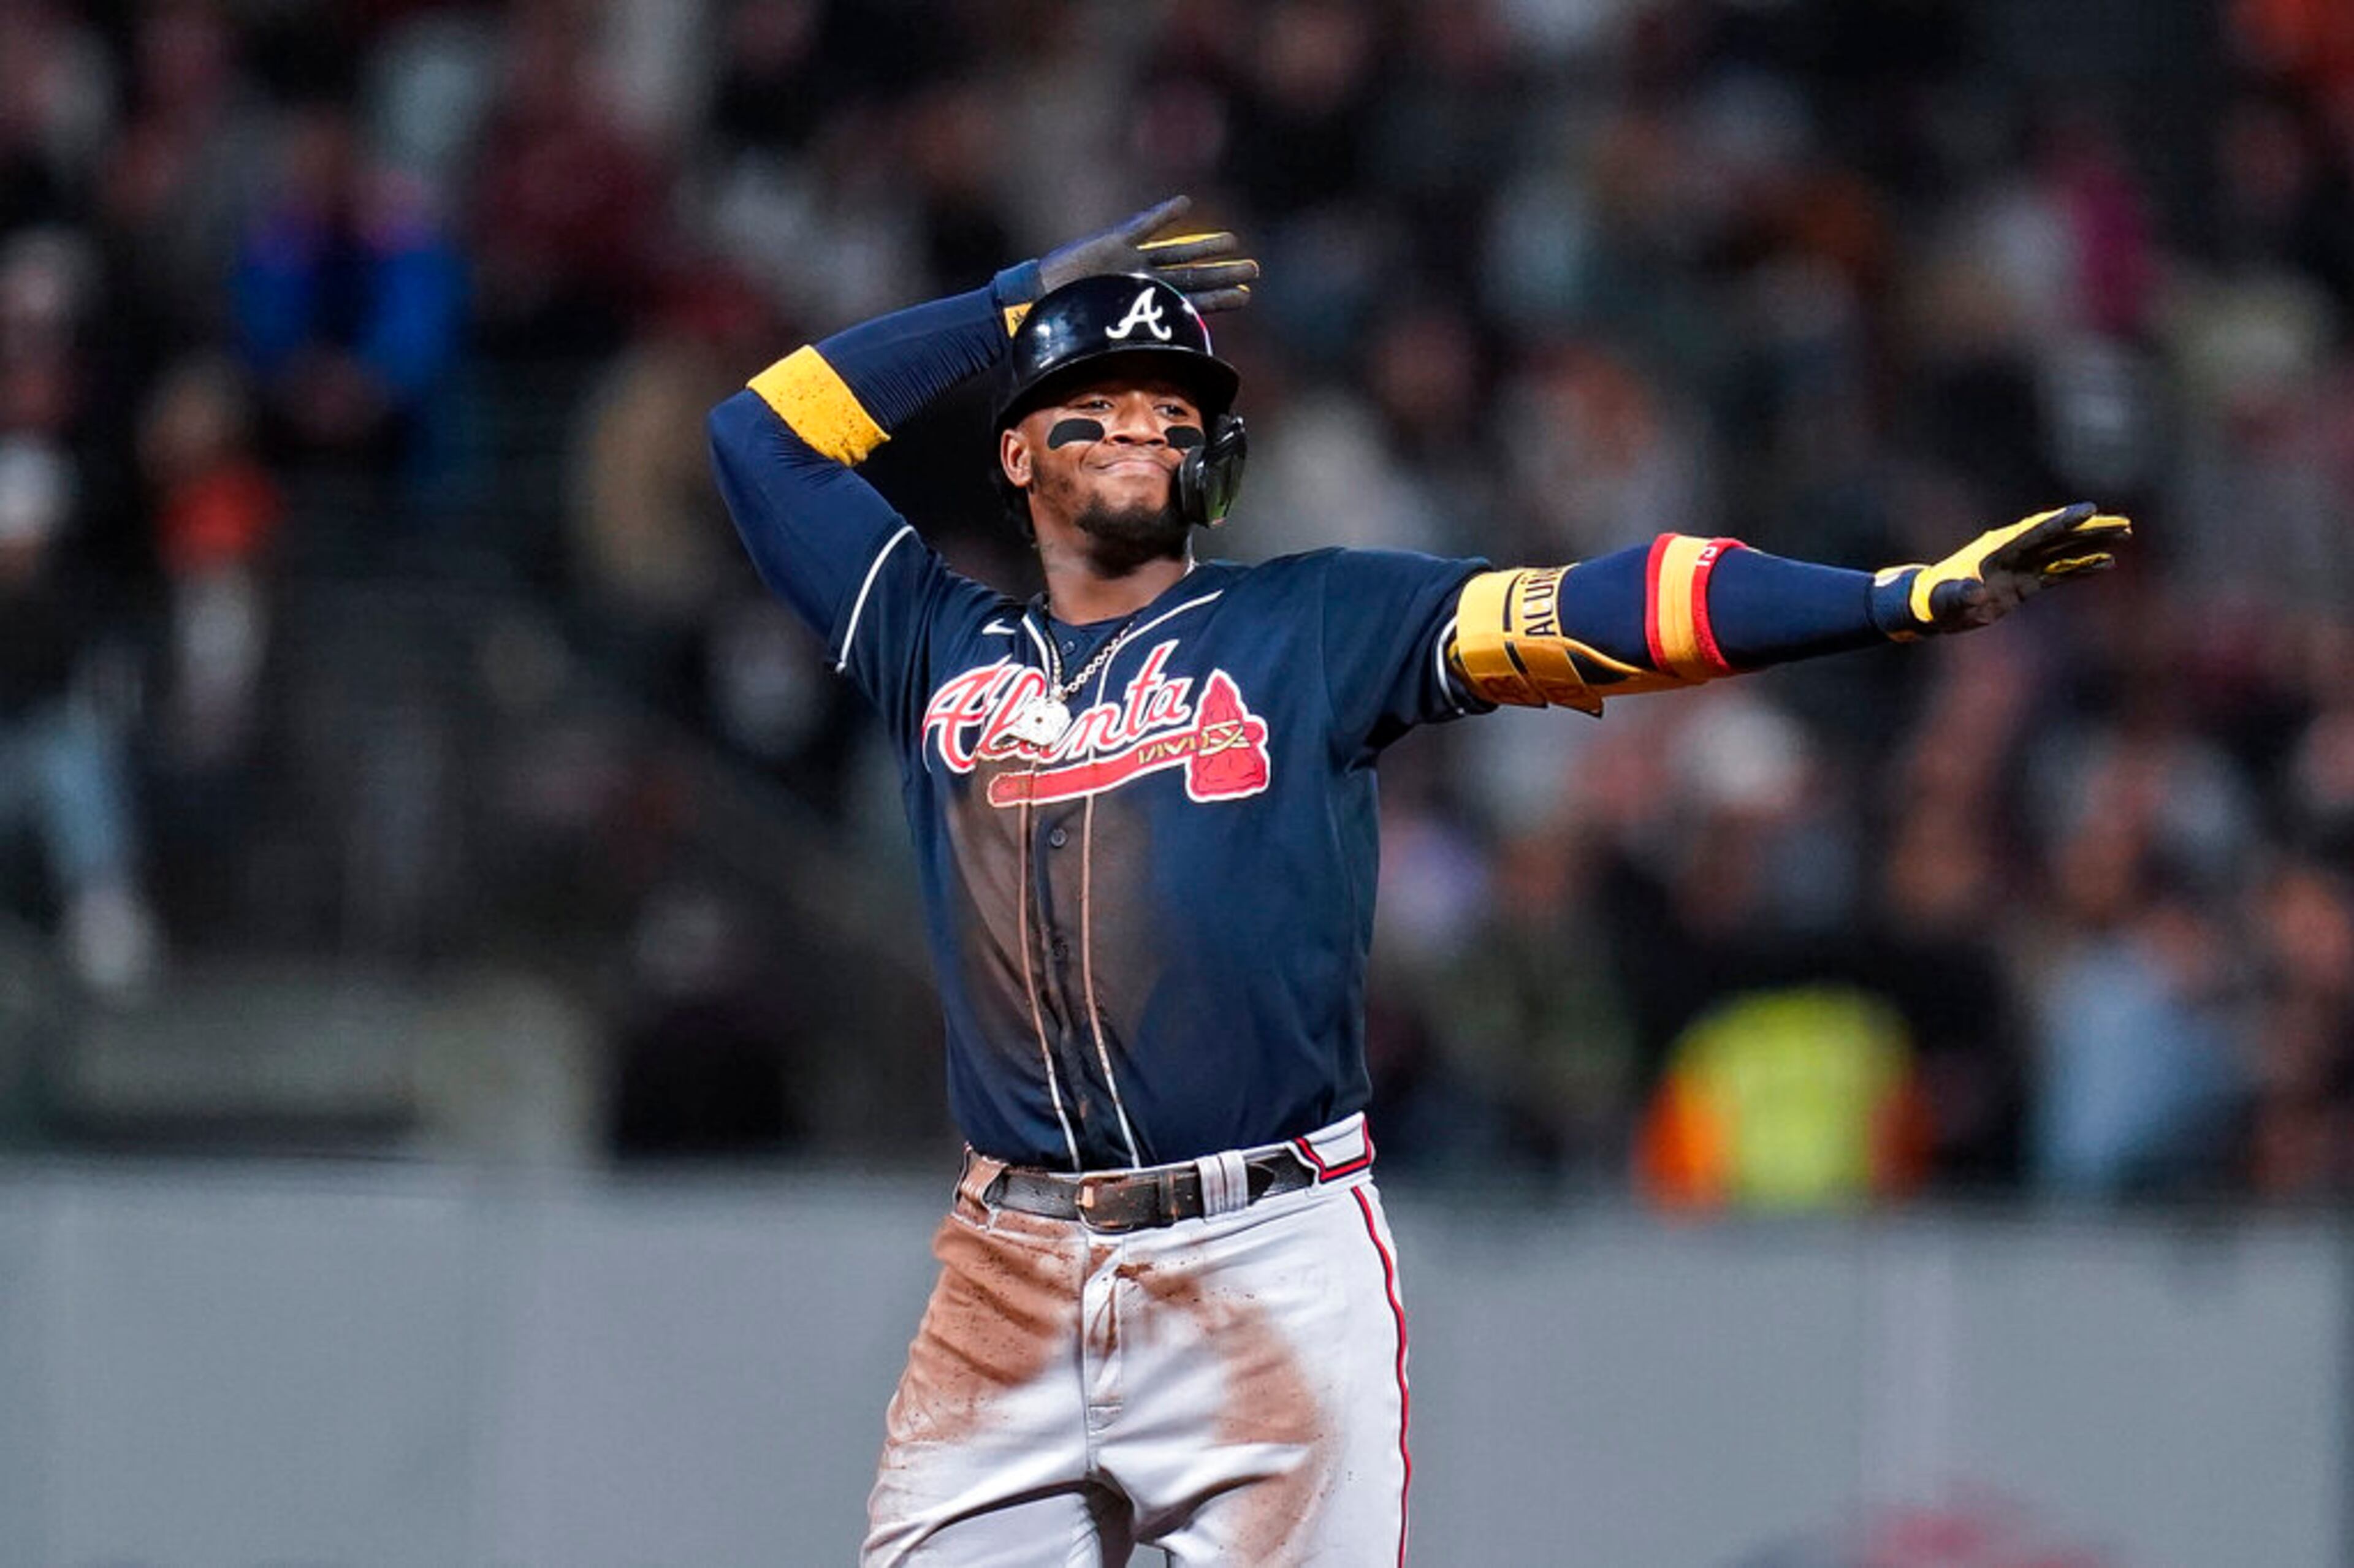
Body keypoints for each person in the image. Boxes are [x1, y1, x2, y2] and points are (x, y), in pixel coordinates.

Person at [706, 196, 2128, 1566]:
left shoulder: (1318, 621)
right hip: (1010, 1265)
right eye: (1100, 395)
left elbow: (1607, 604)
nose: (1141, 420)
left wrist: (1885, 600)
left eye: (1172, 404)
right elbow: (760, 439)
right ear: (1016, 453)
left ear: (1217, 458)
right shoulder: (934, 642)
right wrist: (1004, 307)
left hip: (1262, 1251)